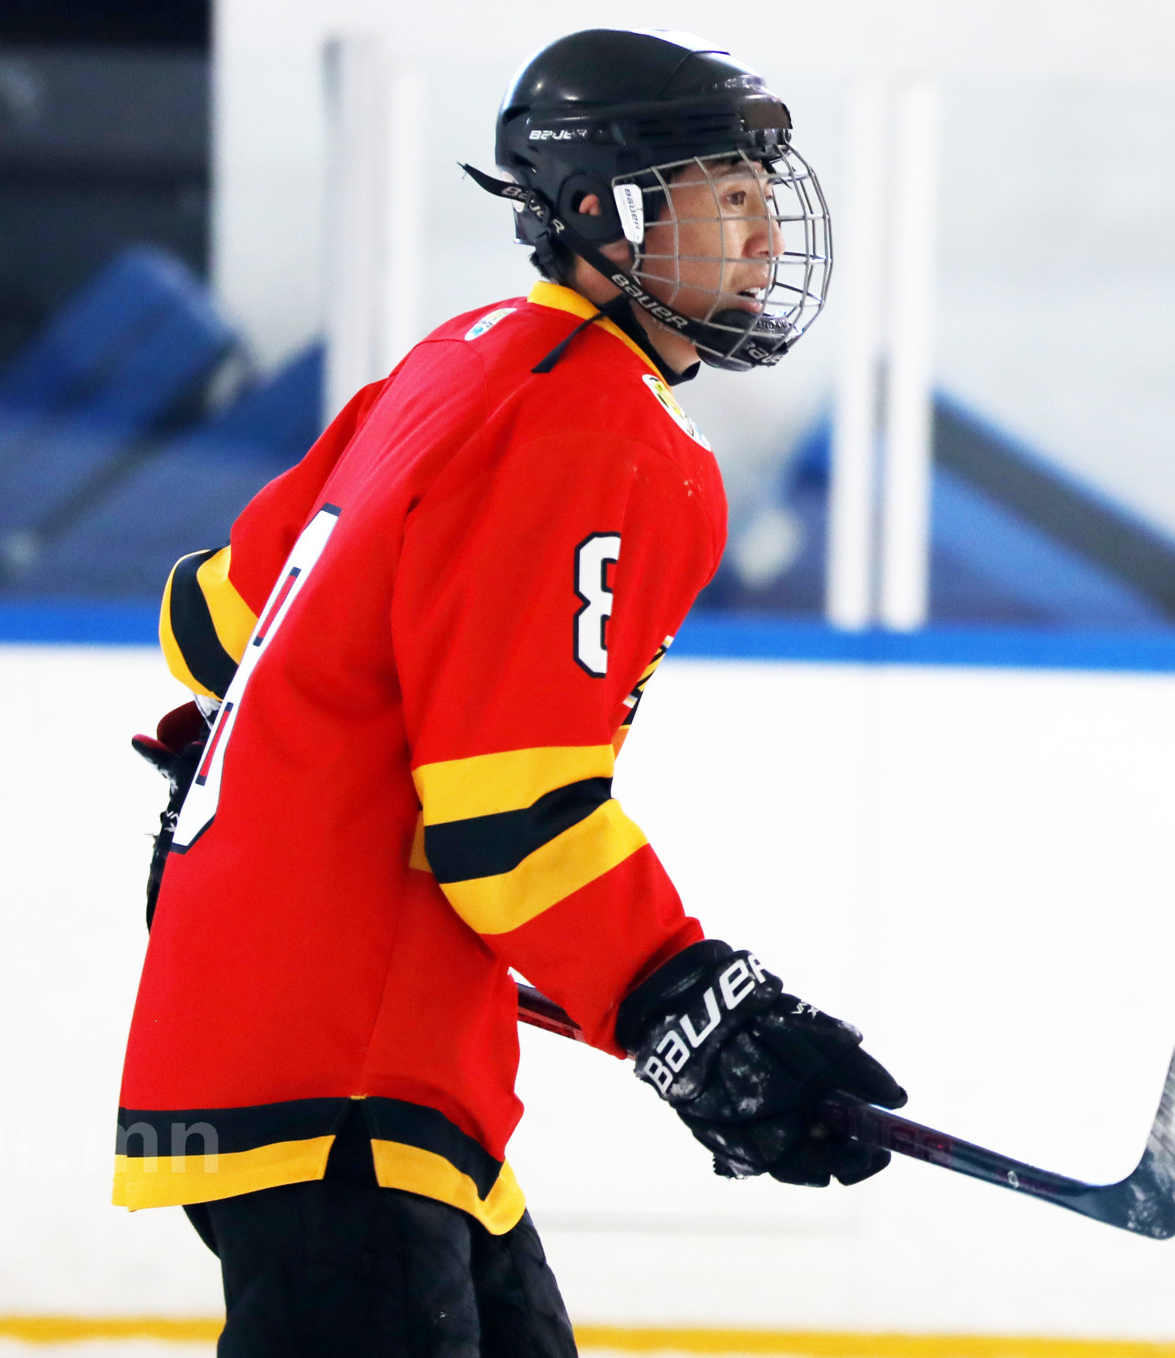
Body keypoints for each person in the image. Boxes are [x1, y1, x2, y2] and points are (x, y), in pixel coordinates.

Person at [117, 28, 907, 1357]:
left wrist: (290, 760)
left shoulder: (456, 361)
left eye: (767, 195)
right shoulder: (601, 431)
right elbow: (507, 816)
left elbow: (213, 622)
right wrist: (687, 1004)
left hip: (326, 1033)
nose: (768, 234)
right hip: (348, 1066)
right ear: (603, 211)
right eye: (728, 196)